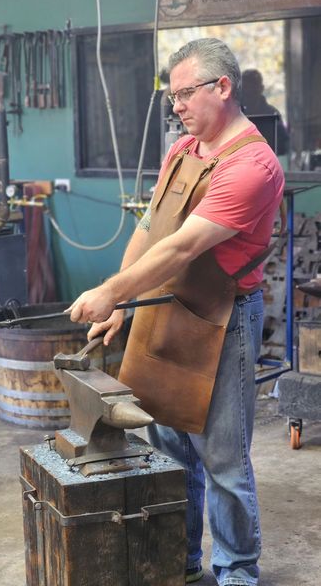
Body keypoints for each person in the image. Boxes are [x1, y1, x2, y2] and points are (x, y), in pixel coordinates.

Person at [68, 39, 284, 586]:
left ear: (223, 87)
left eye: (185, 93)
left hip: (221, 320)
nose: (177, 106)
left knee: (223, 460)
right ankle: (179, 559)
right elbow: (151, 227)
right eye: (173, 96)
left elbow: (183, 248)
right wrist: (124, 301)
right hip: (165, 309)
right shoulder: (184, 149)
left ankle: (236, 571)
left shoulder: (253, 165)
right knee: (168, 449)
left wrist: (114, 292)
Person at [241, 69, 289, 155]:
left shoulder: (272, 114)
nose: (249, 92)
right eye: (246, 88)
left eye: (253, 88)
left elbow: (283, 146)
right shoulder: (234, 116)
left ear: (261, 88)